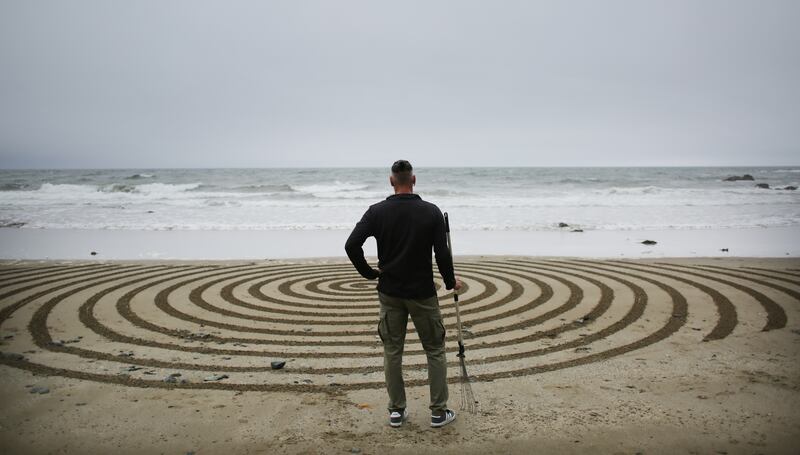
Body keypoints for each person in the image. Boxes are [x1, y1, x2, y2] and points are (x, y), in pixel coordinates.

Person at [345, 159, 463, 429]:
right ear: (414, 180)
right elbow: (442, 253)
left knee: (392, 350)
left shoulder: (376, 212)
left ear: (391, 181)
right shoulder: (431, 212)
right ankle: (438, 412)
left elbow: (352, 245)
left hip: (390, 291)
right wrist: (449, 281)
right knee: (434, 349)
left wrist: (369, 273)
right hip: (422, 292)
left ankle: (397, 411)